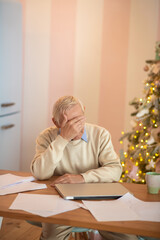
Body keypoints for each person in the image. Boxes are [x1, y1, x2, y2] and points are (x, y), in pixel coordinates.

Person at [31, 95, 138, 240]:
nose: (76, 127)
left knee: (127, 236)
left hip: (100, 200)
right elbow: (40, 173)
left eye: (79, 120)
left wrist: (82, 178)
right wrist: (62, 139)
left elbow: (115, 170)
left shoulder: (100, 134)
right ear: (55, 122)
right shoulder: (46, 137)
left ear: (84, 112)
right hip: (61, 203)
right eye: (68, 122)